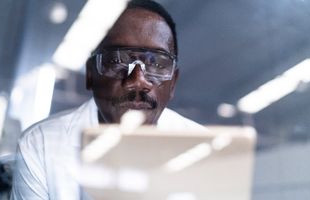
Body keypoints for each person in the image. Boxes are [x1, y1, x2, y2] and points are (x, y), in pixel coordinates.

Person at [11, 0, 204, 199]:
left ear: (173, 83)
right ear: (90, 74)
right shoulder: (41, 144)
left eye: (156, 63)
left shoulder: (207, 149)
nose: (137, 81)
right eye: (117, 60)